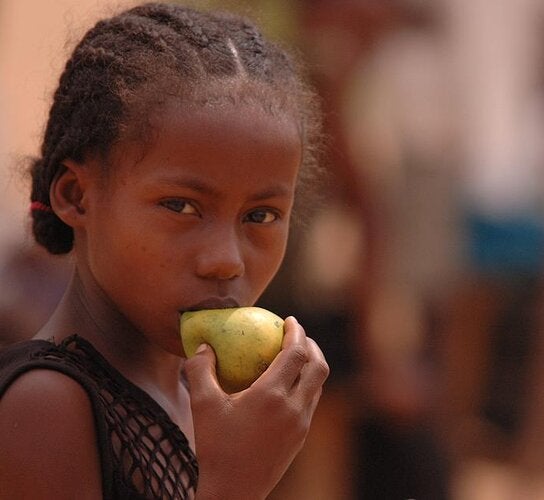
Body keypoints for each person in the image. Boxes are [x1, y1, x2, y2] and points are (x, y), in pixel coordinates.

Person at [0, 2, 329, 499]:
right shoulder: (45, 406)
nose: (227, 260)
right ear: (75, 195)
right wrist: (235, 485)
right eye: (180, 206)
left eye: (259, 216)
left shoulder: (205, 401)